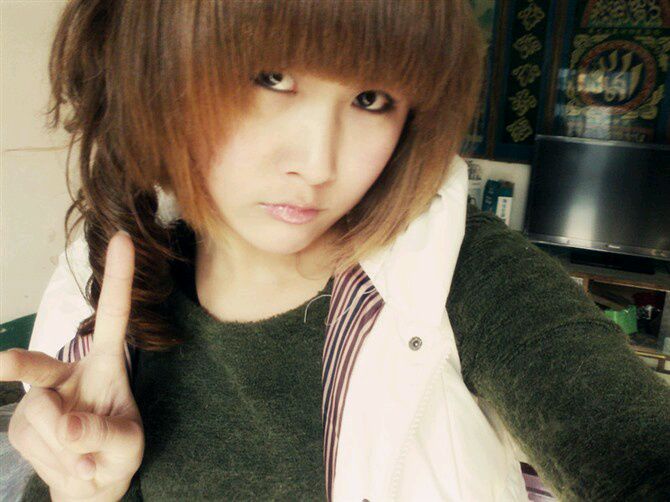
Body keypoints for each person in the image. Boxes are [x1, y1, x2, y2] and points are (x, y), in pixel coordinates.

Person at [1, 0, 669, 500]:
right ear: (160, 69)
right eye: (271, 78)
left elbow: (640, 459)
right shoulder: (106, 275)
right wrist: (86, 492)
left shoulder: (464, 277)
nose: (318, 164)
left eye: (371, 99)